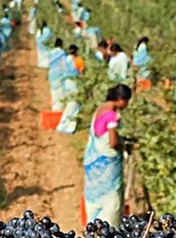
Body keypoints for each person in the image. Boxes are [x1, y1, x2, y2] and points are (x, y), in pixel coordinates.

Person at [83, 84, 134, 228]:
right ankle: (108, 231)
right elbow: (112, 142)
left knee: (94, 195)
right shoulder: (112, 115)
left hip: (92, 161)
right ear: (121, 99)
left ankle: (93, 228)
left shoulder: (100, 109)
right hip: (108, 164)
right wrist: (123, 145)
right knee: (110, 200)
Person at [57, 46, 83, 134]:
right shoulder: (79, 60)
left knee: (69, 106)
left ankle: (63, 125)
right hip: (75, 86)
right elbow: (82, 73)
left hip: (66, 86)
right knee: (74, 107)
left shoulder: (64, 60)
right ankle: (68, 127)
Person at [45, 38, 69, 110]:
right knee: (60, 95)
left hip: (52, 76)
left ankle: (54, 109)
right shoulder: (62, 53)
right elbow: (63, 65)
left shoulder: (51, 53)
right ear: (61, 45)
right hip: (60, 76)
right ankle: (59, 111)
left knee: (54, 94)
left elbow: (48, 64)